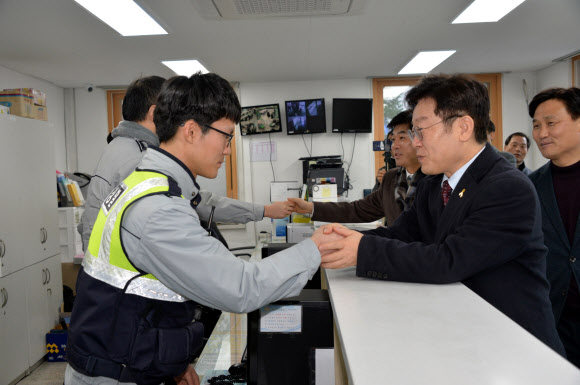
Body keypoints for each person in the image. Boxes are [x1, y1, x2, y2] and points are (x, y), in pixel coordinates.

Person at [65, 73, 341, 385]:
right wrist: (315, 247)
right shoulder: (159, 209)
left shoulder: (144, 183)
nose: (227, 150)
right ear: (192, 131)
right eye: (226, 137)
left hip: (127, 362)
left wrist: (172, 365)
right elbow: (241, 288)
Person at [316, 74, 565, 356]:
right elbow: (399, 235)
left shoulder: (507, 188)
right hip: (463, 334)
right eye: (413, 132)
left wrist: (360, 250)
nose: (415, 142)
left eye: (420, 131)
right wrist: (342, 240)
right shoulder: (434, 183)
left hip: (515, 346)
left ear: (463, 127)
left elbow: (449, 260)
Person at [78, 75, 293, 252]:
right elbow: (198, 203)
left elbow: (195, 200)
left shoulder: (121, 147)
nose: (226, 150)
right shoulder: (139, 160)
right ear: (156, 113)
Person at [289, 110, 424, 226]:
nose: (395, 145)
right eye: (393, 139)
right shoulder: (390, 179)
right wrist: (311, 207)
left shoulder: (436, 180)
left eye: (402, 138)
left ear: (418, 139)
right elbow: (356, 210)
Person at [528, 87, 580, 368]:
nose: (541, 133)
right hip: (553, 318)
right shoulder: (529, 187)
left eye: (551, 123)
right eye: (536, 125)